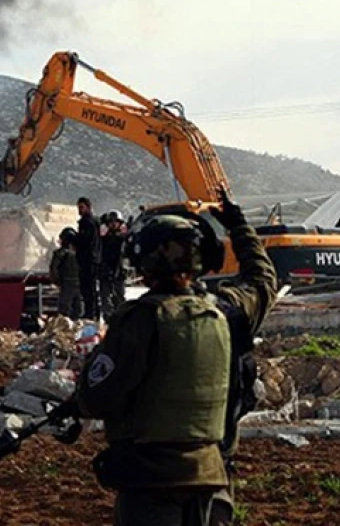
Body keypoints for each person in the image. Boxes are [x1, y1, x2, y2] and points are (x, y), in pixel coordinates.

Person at [70, 190, 277, 526]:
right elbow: (262, 278)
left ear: (143, 264)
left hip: (151, 486)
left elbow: (98, 398)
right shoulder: (230, 311)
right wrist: (237, 225)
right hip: (213, 481)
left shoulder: (138, 320)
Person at [76, 197, 102, 320]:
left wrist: (74, 240)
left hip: (88, 260)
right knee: (90, 289)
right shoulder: (93, 222)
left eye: (81, 207)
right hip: (92, 259)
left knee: (88, 289)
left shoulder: (87, 223)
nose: (79, 210)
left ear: (87, 207)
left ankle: (90, 314)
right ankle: (93, 313)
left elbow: (85, 241)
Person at [99, 210, 128, 317]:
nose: (113, 224)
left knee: (119, 298)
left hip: (119, 272)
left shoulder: (123, 239)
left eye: (115, 222)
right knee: (105, 298)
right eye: (110, 222)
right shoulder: (103, 240)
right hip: (105, 272)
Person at [50, 228, 82, 319]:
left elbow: (54, 269)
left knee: (64, 310)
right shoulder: (80, 254)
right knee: (77, 310)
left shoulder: (60, 253)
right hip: (78, 283)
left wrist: (57, 281)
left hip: (67, 283)